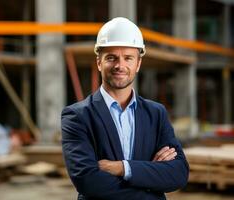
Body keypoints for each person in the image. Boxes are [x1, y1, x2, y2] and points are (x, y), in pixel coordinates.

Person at [61, 17, 189, 200]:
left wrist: (122, 168)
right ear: (99, 62)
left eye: (128, 58)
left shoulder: (156, 113)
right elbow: (88, 181)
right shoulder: (77, 116)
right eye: (111, 58)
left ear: (138, 64)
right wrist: (150, 181)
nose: (120, 65)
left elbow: (179, 173)